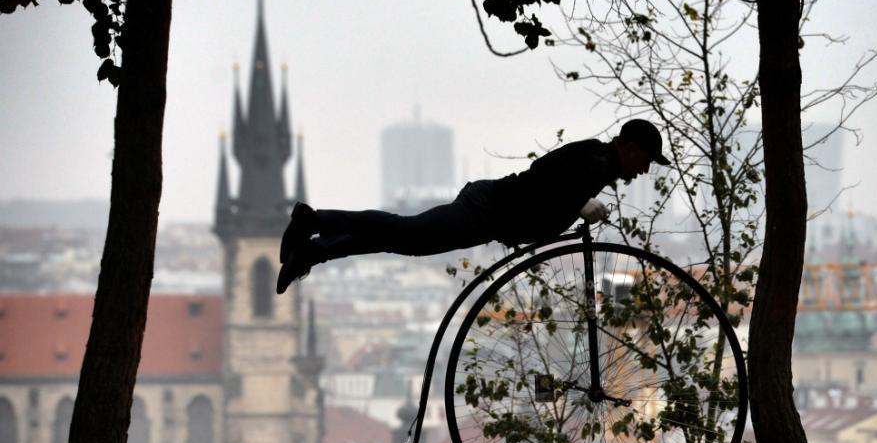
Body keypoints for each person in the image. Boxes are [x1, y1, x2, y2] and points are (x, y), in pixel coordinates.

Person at [276, 118, 670, 294]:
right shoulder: (595, 161)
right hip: (485, 210)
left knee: (402, 239)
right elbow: (546, 176)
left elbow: (555, 185)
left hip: (487, 217)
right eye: (647, 160)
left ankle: (314, 250)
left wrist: (578, 201)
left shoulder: (597, 163)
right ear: (630, 148)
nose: (644, 170)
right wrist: (579, 202)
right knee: (405, 231)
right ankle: (312, 221)